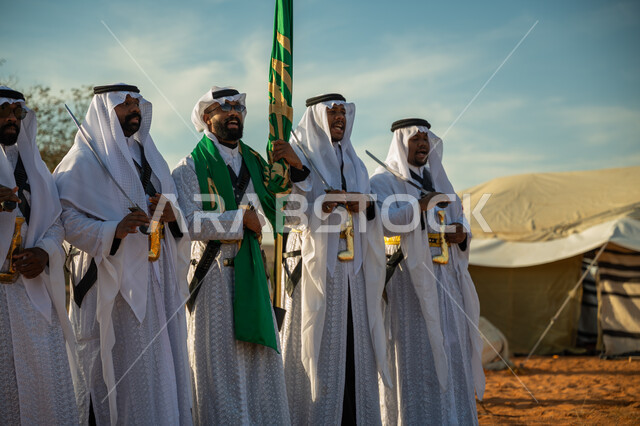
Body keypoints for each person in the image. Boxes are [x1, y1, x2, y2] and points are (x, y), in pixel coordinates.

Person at [54, 84, 192, 425]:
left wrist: (172, 213)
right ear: (104, 110)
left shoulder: (153, 158)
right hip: (110, 284)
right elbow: (63, 220)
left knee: (162, 372)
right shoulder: (83, 160)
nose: (133, 110)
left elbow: (175, 210)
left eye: (136, 104)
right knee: (117, 376)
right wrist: (112, 229)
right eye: (124, 104)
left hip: (158, 279)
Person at [172, 86, 307, 424]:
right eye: (225, 107)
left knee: (258, 367)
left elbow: (290, 215)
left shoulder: (259, 163)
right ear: (207, 118)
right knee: (220, 371)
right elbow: (186, 222)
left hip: (254, 278)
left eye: (239, 107)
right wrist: (238, 220)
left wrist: (296, 169)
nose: (234, 112)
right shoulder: (188, 167)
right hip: (214, 278)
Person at [280, 93, 389, 425]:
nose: (339, 118)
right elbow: (287, 216)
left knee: (355, 358)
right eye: (332, 113)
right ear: (316, 118)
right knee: (315, 354)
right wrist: (315, 197)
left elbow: (375, 215)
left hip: (354, 279)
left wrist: (364, 205)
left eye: (343, 113)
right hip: (317, 274)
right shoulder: (297, 157)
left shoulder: (356, 164)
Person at [370, 118, 485, 424]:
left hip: (446, 283)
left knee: (450, 350)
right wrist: (419, 207)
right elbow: (382, 223)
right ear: (400, 142)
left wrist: (462, 234)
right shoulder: (382, 182)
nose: (422, 144)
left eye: (426, 139)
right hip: (407, 285)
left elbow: (458, 218)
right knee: (415, 357)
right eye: (415, 139)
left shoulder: (439, 182)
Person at [0, 86, 78, 424]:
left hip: (37, 292)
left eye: (16, 114)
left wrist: (45, 253)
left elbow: (56, 223)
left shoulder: (37, 168)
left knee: (47, 383)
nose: (10, 120)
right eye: (3, 112)